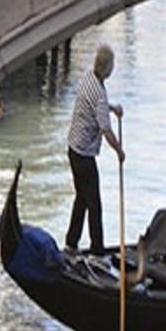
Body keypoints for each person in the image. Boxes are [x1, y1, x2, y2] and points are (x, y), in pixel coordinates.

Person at [64, 42, 125, 258]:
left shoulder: (88, 79)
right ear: (107, 67)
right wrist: (119, 152)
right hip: (84, 156)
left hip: (73, 149)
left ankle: (71, 243)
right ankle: (97, 252)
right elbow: (106, 130)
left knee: (82, 198)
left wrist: (112, 108)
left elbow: (96, 104)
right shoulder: (99, 93)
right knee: (94, 204)